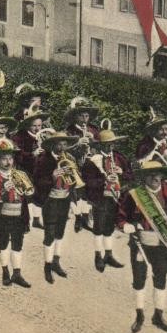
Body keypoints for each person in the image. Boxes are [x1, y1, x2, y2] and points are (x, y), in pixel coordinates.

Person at [117, 161, 167, 333]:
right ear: (143, 176)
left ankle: (158, 316)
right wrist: (126, 225)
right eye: (150, 174)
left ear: (162, 175)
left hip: (163, 245)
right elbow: (120, 216)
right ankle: (139, 316)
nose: (154, 177)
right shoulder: (134, 195)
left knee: (160, 278)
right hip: (140, 243)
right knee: (139, 278)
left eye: (158, 174)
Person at [82, 125, 132, 272]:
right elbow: (87, 181)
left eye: (112, 143)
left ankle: (108, 255)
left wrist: (121, 172)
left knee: (110, 227)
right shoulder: (92, 161)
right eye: (107, 144)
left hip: (116, 197)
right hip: (100, 197)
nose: (111, 146)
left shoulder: (119, 158)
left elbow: (131, 176)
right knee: (98, 227)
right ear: (101, 145)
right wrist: (103, 181)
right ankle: (98, 255)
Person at [33, 131, 80, 284]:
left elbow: (74, 180)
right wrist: (53, 176)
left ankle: (56, 261)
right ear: (53, 144)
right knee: (50, 233)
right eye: (59, 143)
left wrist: (74, 200)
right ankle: (47, 265)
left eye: (65, 144)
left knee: (60, 231)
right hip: (50, 199)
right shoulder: (43, 160)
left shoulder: (70, 158)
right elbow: (37, 182)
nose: (62, 147)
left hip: (65, 198)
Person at [0, 138, 32, 288]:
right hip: (2, 216)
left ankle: (17, 273)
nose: (8, 162)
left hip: (19, 214)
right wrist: (4, 191)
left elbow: (29, 193)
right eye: (4, 159)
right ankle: (5, 271)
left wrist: (25, 191)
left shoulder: (20, 174)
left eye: (10, 158)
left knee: (18, 244)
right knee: (3, 244)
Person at [64, 97, 100, 232]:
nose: (85, 118)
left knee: (90, 189)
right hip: (75, 162)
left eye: (87, 115)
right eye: (81, 115)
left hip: (91, 163)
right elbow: (64, 148)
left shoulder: (94, 129)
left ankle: (85, 215)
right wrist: (77, 144)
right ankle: (78, 215)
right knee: (75, 190)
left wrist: (94, 140)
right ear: (75, 116)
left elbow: (101, 146)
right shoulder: (70, 131)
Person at [12, 104, 50, 229]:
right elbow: (17, 154)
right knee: (26, 194)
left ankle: (37, 219)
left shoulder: (44, 136)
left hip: (39, 169)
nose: (37, 128)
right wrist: (32, 154)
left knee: (42, 191)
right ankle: (24, 222)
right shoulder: (20, 136)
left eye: (39, 125)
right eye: (34, 125)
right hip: (25, 168)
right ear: (28, 125)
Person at [136, 108, 167, 185]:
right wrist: (162, 157)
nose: (164, 132)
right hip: (153, 181)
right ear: (154, 130)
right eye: (161, 129)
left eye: (166, 129)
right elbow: (141, 166)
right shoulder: (145, 146)